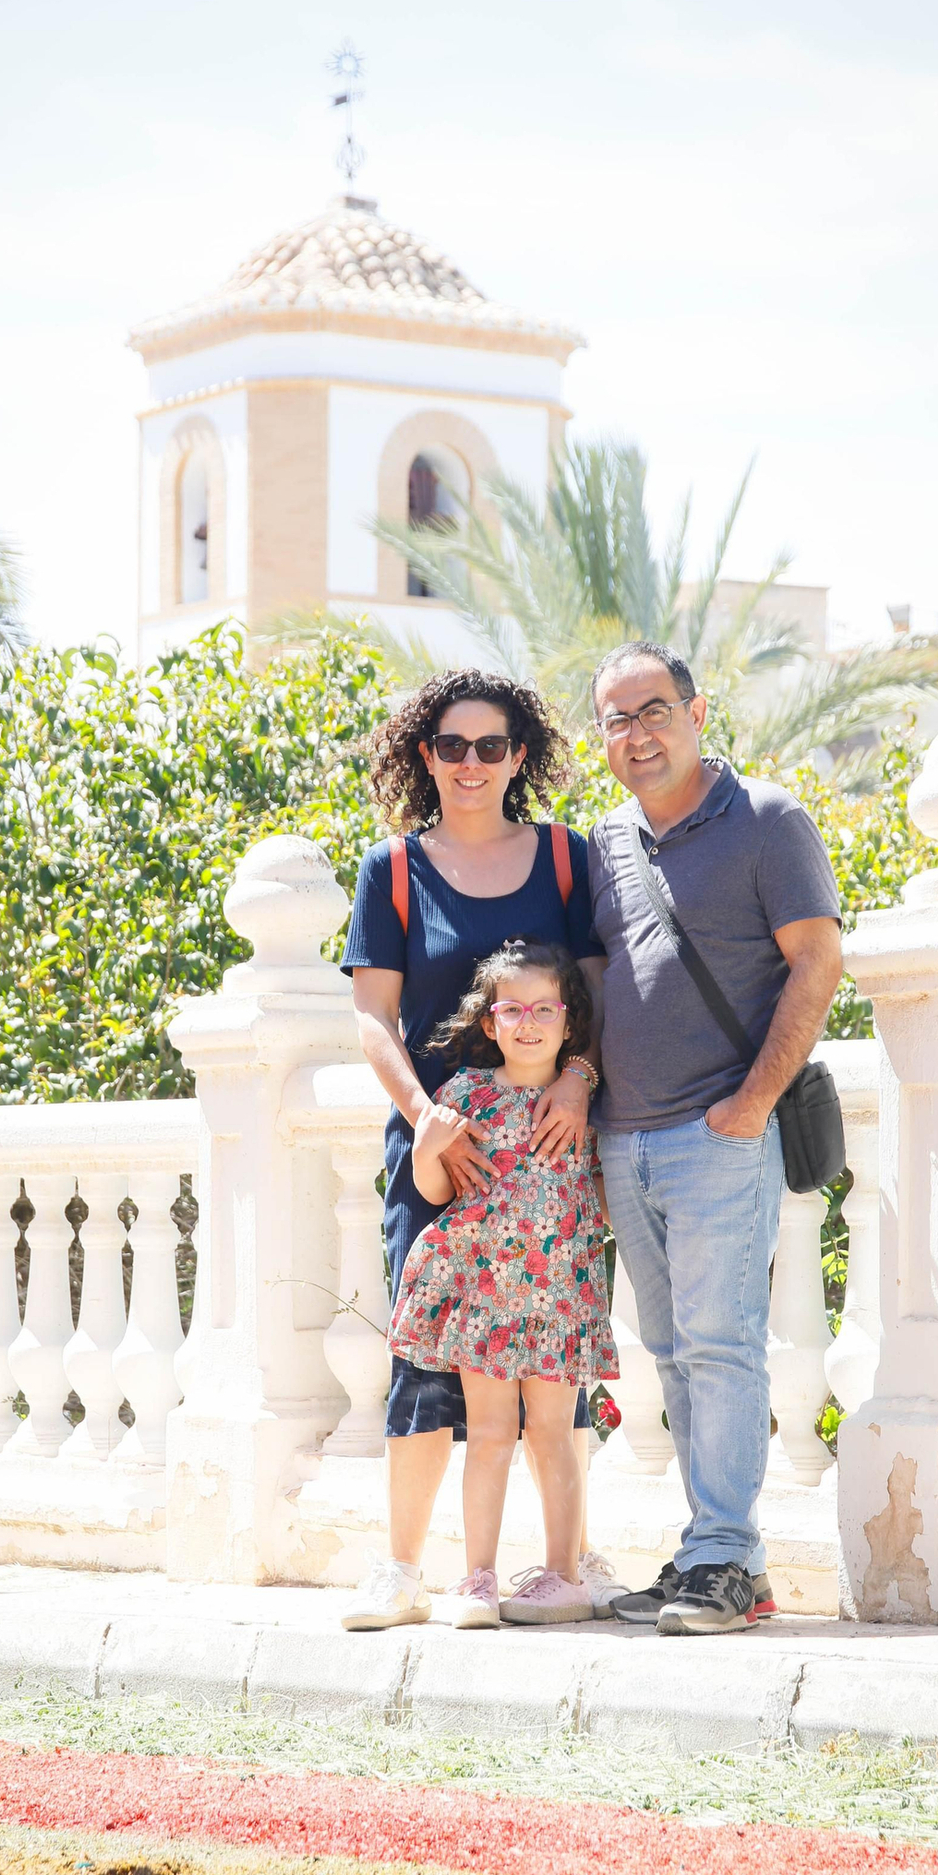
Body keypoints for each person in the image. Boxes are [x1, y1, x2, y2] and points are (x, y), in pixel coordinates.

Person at [337, 670, 622, 1632]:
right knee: (426, 1365)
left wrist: (581, 1077)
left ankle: (561, 1563)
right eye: (451, 746)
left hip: (551, 1148)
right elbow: (374, 1019)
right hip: (436, 1147)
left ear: (519, 757)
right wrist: (425, 1116)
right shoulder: (394, 871)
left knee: (549, 1364)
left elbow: (596, 995)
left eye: (490, 746)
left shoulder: (565, 860)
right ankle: (404, 1571)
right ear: (425, 756)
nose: (470, 763)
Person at [588, 640, 843, 1636]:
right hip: (624, 1136)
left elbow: (815, 964)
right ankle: (718, 1554)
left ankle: (723, 1560)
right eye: (615, 718)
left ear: (698, 712)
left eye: (652, 710)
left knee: (722, 1344)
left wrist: (749, 1102)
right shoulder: (604, 840)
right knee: (671, 1351)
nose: (637, 733)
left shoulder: (767, 821)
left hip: (719, 1133)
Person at [389, 939, 618, 1629]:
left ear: (570, 1022)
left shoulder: (583, 1106)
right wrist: (429, 1142)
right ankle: (477, 1579)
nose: (527, 1022)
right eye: (511, 1009)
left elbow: (601, 1199)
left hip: (556, 1293)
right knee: (488, 1433)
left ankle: (564, 1577)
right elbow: (433, 1190)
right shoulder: (463, 1096)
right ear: (488, 1023)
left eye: (544, 1008)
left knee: (554, 1433)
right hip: (483, 1293)